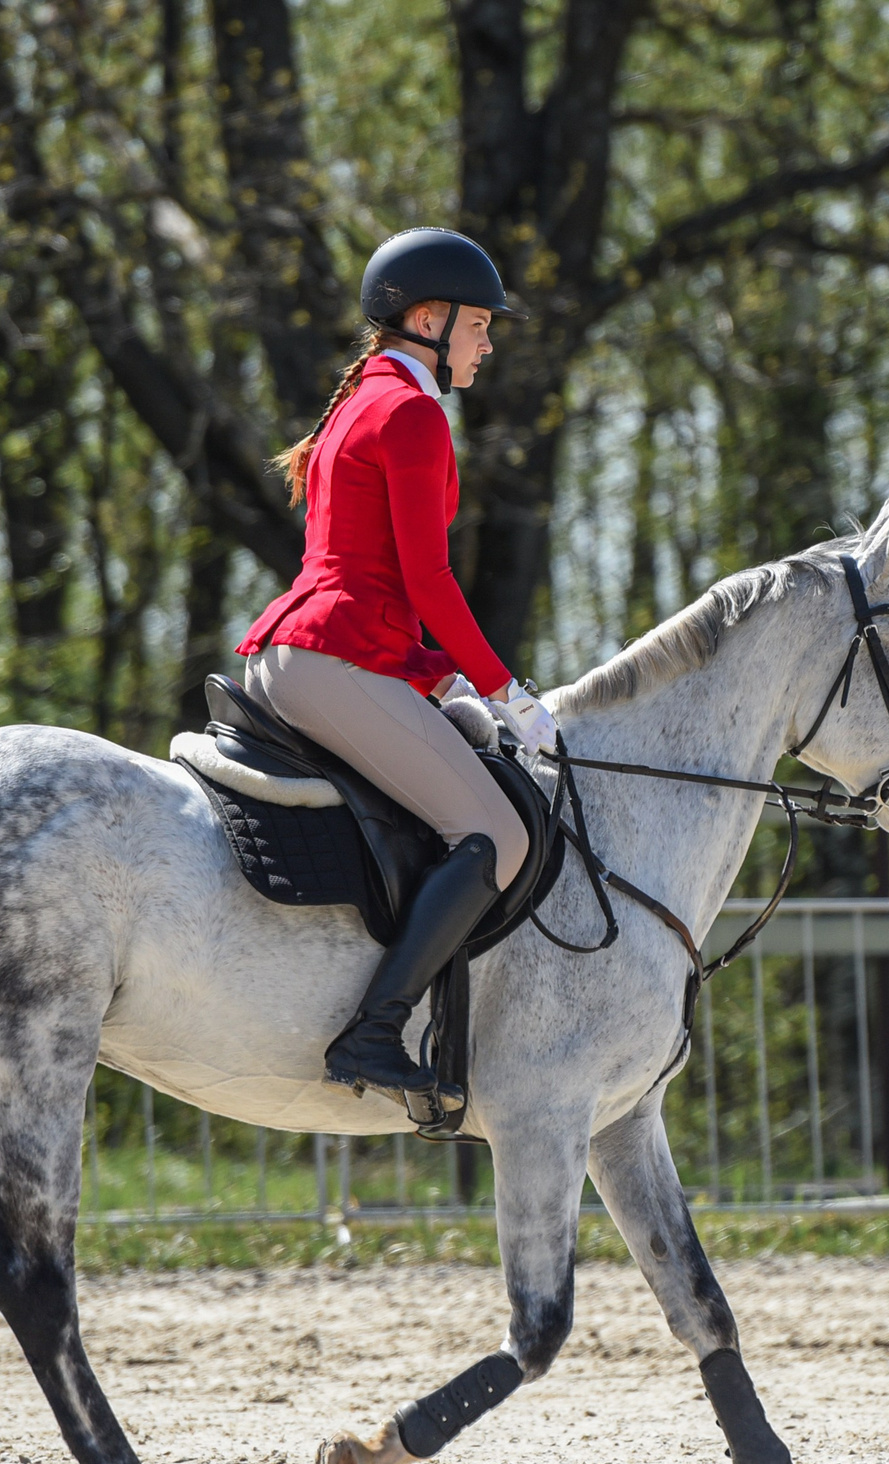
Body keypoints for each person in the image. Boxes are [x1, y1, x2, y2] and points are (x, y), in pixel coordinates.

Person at [239, 226, 558, 1114]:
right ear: (427, 317)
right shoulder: (412, 412)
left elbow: (376, 581)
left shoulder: (362, 400)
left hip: (313, 649)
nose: (488, 342)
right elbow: (428, 581)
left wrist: (440, 679)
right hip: (332, 657)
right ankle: (374, 1029)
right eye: (479, 325)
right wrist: (502, 689)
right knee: (502, 836)